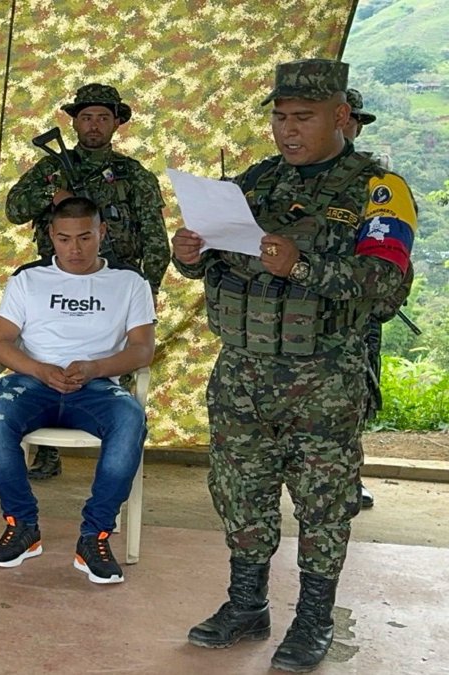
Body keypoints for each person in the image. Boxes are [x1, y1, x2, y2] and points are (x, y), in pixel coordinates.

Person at [173, 59, 416, 672]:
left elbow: (387, 288)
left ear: (339, 116)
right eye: (280, 118)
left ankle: (312, 622)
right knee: (238, 492)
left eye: (302, 118)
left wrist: (302, 266)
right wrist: (193, 257)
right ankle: (246, 605)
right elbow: (223, 264)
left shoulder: (379, 190)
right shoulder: (255, 182)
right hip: (244, 373)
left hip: (325, 378)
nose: (287, 131)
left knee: (323, 503)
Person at [0, 197, 155, 584]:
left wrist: (96, 368)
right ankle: (22, 525)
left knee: (130, 420)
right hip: (33, 383)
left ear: (102, 233)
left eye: (85, 237)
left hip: (97, 387)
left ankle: (95, 536)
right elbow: (2, 343)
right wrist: (38, 368)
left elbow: (143, 349)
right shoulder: (28, 279)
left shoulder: (129, 282)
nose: (75, 249)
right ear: (51, 238)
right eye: (64, 239)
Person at [6, 83, 168, 481]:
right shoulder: (51, 167)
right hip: (54, 279)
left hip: (116, 283)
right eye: (86, 116)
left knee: (116, 369)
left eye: (103, 117)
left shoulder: (133, 175)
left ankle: (117, 449)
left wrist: (149, 290)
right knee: (49, 357)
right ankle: (46, 450)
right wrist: (53, 193)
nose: (94, 125)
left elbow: (155, 237)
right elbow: (13, 208)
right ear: (74, 121)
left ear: (117, 123)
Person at [344, 87, 384, 511]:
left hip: (361, 310)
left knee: (358, 395)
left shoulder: (377, 180)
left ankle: (352, 478)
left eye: (352, 118)